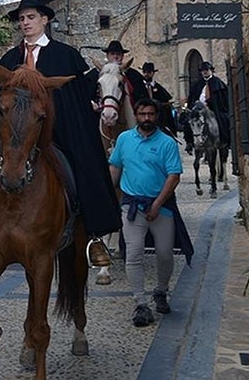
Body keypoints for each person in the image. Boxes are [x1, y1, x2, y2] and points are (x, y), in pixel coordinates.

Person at [0, 0, 121, 263]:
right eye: (21, 18)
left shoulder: (66, 56)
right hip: (13, 134)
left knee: (87, 165)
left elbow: (78, 96)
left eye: (30, 17)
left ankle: (94, 236)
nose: (25, 22)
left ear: (45, 20)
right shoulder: (9, 58)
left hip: (57, 132)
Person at [108, 98, 192, 327]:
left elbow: (173, 176)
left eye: (151, 114)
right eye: (143, 114)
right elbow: (115, 166)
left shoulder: (167, 143)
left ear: (156, 116)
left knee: (165, 254)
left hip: (161, 207)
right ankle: (140, 302)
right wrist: (106, 195)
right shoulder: (124, 139)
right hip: (132, 207)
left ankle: (161, 291)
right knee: (133, 254)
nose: (147, 118)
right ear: (136, 115)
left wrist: (157, 204)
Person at [185, 61, 232, 159]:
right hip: (199, 110)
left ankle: (226, 141)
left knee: (224, 121)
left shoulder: (218, 82)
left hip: (215, 110)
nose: (205, 72)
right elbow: (192, 97)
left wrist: (213, 104)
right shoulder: (197, 84)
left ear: (211, 71)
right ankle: (190, 143)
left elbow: (223, 99)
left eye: (207, 70)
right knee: (188, 122)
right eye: (203, 71)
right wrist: (193, 105)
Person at [134, 62, 177, 140]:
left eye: (149, 72)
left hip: (158, 119)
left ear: (153, 73)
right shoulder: (137, 87)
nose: (146, 74)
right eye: (144, 72)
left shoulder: (159, 88)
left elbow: (166, 103)